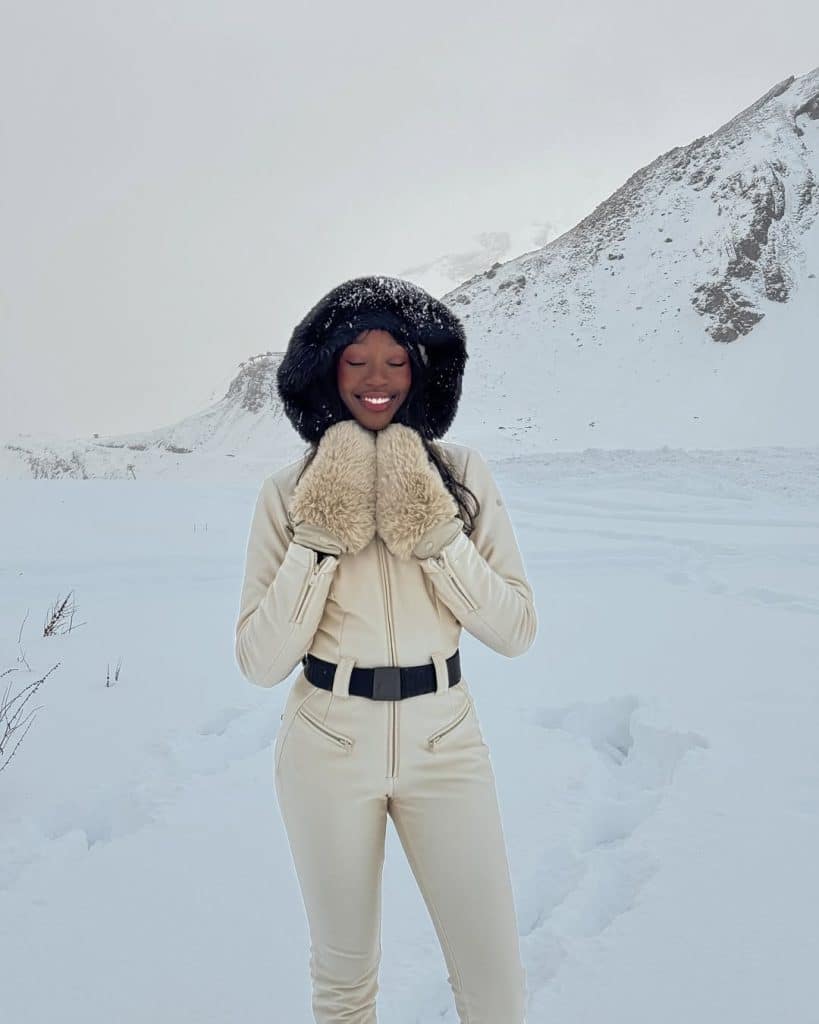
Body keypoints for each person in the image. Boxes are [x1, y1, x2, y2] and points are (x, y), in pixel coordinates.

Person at [234, 275, 538, 1024]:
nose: (376, 380)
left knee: (492, 980)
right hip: (326, 742)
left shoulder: (462, 476)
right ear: (324, 370)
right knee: (344, 982)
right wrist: (320, 532)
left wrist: (436, 534)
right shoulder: (286, 491)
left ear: (424, 368)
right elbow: (260, 659)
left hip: (445, 738)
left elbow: (514, 629)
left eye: (395, 361)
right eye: (355, 360)